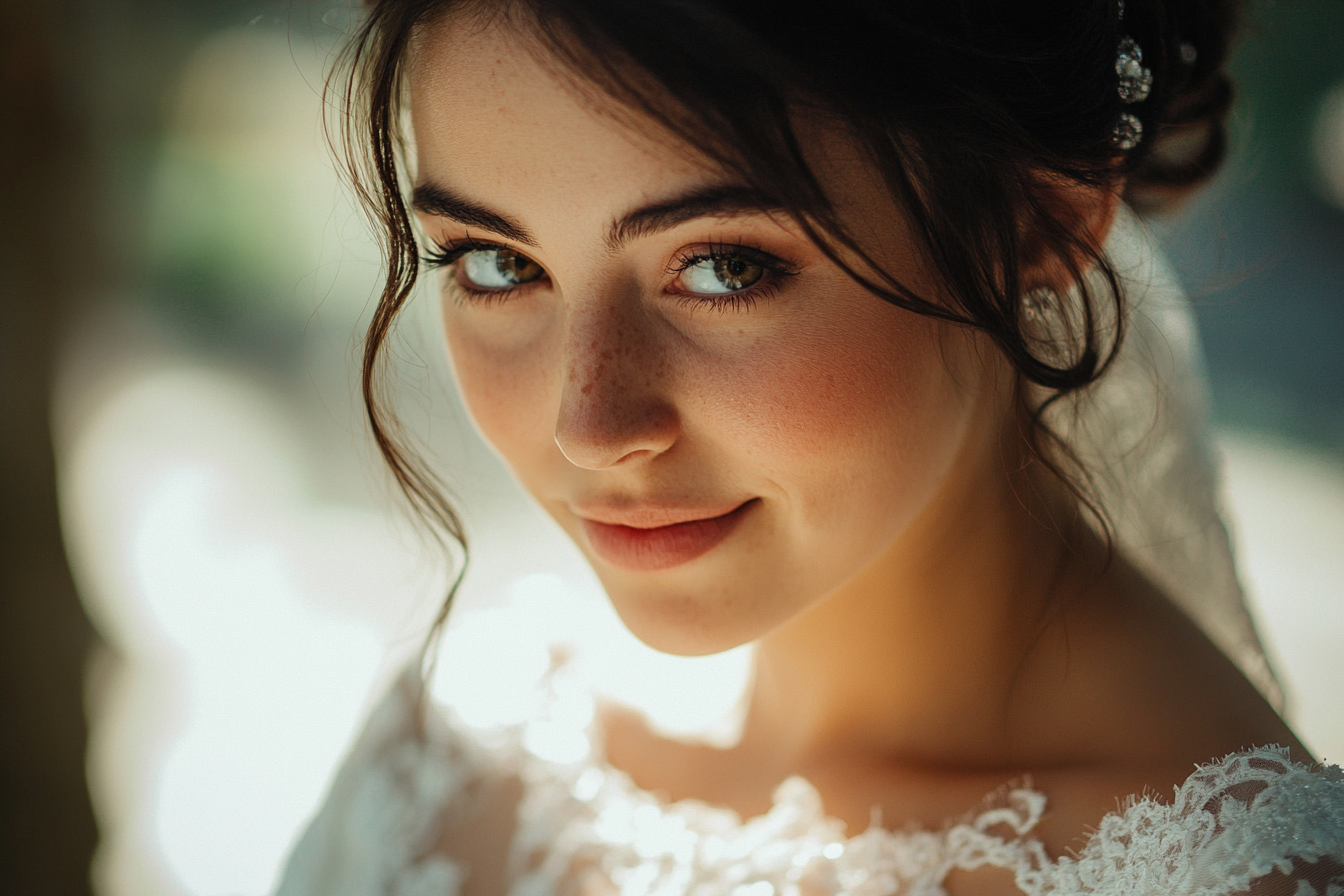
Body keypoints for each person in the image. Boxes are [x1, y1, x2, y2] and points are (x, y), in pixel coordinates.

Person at [277, 1, 1344, 894]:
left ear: (1038, 224)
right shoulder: (458, 743)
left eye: (726, 266)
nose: (592, 426)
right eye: (499, 265)